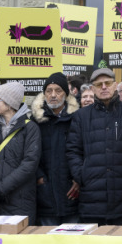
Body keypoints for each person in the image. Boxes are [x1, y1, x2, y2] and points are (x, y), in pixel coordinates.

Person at [66, 68, 122, 226]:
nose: (104, 87)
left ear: (115, 85)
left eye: (107, 83)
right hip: (91, 198)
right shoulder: (81, 116)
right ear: (93, 88)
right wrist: (82, 176)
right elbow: (73, 150)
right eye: (99, 84)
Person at [0, 81, 41, 223]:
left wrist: (3, 187)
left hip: (19, 201)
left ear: (9, 103)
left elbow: (29, 163)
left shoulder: (30, 129)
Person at [32, 73, 81, 226]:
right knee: (48, 239)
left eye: (58, 90)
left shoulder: (78, 118)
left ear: (65, 94)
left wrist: (78, 179)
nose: (53, 95)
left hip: (72, 192)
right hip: (46, 193)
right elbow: (29, 154)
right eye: (49, 90)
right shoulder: (35, 121)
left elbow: (84, 151)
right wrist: (40, 177)